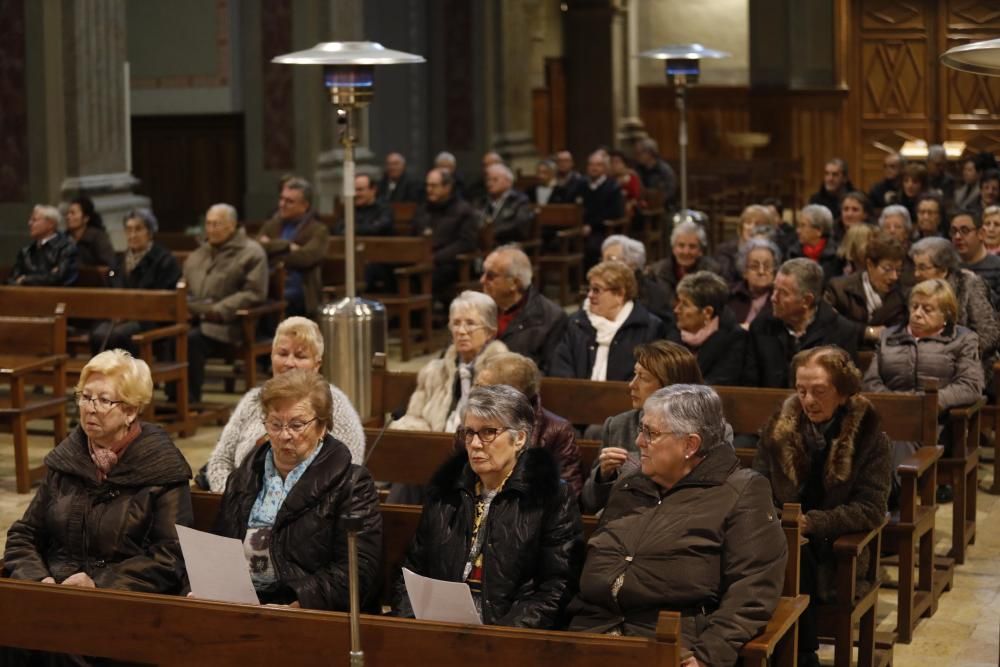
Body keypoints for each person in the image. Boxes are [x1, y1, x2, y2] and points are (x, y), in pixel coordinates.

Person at [570, 384, 786, 667]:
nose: (638, 442)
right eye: (641, 430)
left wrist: (708, 656)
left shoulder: (742, 490)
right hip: (591, 631)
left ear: (690, 445)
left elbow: (753, 588)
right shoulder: (629, 483)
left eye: (651, 433)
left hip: (672, 642)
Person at [392, 385, 584, 627]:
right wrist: (413, 624)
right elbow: (412, 570)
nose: (474, 444)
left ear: (520, 438)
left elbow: (559, 585)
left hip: (511, 631)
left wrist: (502, 637)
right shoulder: (446, 489)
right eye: (469, 433)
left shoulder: (549, 494)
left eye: (488, 432)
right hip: (439, 625)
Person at [4, 350, 192, 592]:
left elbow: (171, 556)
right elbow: (25, 534)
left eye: (104, 400)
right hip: (56, 590)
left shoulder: (162, 467)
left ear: (130, 412)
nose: (90, 408)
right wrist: (39, 580)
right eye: (86, 396)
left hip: (125, 600)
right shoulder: (67, 459)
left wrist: (99, 584)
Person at [753, 346, 892, 667]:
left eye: (819, 391)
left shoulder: (870, 437)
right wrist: (774, 519)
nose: (808, 400)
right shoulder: (779, 429)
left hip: (835, 548)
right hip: (776, 533)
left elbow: (870, 509)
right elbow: (755, 485)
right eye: (801, 391)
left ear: (843, 392)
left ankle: (802, 654)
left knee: (796, 553)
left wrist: (811, 523)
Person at [212, 369, 382, 610]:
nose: (284, 435)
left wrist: (297, 605)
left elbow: (356, 570)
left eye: (297, 425)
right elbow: (220, 547)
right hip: (241, 603)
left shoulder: (353, 484)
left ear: (322, 427)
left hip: (309, 612)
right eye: (275, 424)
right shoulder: (245, 476)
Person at [205, 317, 365, 492]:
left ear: (317, 364)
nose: (289, 363)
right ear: (272, 357)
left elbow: (344, 470)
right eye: (282, 354)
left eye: (300, 356)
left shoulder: (334, 405)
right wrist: (233, 499)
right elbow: (220, 460)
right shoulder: (253, 400)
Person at [863, 279, 983, 470]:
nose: (917, 314)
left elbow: (970, 385)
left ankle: (890, 497)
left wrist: (926, 404)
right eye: (915, 306)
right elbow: (871, 381)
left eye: (927, 309)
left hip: (936, 421)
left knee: (900, 439)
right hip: (888, 416)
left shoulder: (962, 339)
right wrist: (899, 404)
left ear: (946, 314)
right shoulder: (889, 337)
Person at [580, 340, 703, 513]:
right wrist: (603, 475)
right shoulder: (618, 425)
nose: (632, 384)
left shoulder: (710, 430)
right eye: (634, 374)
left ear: (670, 386)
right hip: (626, 523)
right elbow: (589, 503)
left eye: (643, 378)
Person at [182, 203, 268, 403]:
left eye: (216, 224)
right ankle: (173, 399)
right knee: (170, 334)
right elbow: (183, 285)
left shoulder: (251, 253)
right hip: (194, 317)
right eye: (208, 224)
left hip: (231, 324)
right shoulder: (200, 253)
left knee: (191, 340)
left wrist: (218, 310)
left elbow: (254, 292)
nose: (210, 229)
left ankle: (189, 400)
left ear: (232, 225)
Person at [471, 352, 584, 497]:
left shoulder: (557, 430)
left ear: (512, 394)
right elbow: (459, 485)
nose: (474, 393)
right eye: (476, 385)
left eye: (483, 387)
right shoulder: (470, 427)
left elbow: (568, 494)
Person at [393, 290, 508, 432]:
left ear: (490, 332)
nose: (461, 331)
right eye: (456, 323)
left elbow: (505, 427)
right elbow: (415, 418)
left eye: (470, 323)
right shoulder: (433, 372)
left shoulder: (502, 373)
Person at [745, 258, 862, 387]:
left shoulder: (842, 332)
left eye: (783, 293)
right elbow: (749, 385)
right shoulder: (761, 327)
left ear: (806, 300)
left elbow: (847, 389)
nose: (773, 298)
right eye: (774, 289)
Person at [551, 260, 673, 382]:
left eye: (596, 290)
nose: (590, 295)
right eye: (589, 289)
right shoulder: (576, 323)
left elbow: (647, 377)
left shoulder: (649, 328)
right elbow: (561, 367)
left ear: (620, 294)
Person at [88, 208, 182, 355]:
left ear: (149, 233)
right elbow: (110, 292)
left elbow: (163, 300)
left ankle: (129, 377)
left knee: (119, 335)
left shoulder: (164, 260)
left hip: (151, 321)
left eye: (138, 229)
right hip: (120, 317)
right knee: (97, 334)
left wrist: (131, 314)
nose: (133, 235)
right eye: (129, 230)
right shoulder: (119, 261)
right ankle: (104, 377)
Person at [910, 237, 1000, 375]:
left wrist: (953, 355)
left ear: (943, 269)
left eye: (922, 268)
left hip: (967, 367)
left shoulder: (969, 286)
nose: (916, 274)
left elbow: (988, 335)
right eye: (915, 267)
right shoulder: (917, 291)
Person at [479, 245, 567, 374]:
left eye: (491, 276)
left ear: (514, 283)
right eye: (483, 273)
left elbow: (550, 373)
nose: (482, 280)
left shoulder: (552, 319)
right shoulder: (477, 307)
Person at [258, 176, 329, 317]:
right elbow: (257, 249)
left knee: (281, 301)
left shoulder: (318, 230)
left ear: (305, 205)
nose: (282, 205)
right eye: (281, 199)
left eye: (289, 201)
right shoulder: (272, 224)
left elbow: (305, 258)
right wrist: (286, 245)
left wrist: (272, 252)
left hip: (301, 289)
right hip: (268, 283)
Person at [823, 232, 908, 346]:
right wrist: (866, 332)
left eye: (898, 270)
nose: (894, 276)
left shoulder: (902, 296)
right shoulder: (839, 289)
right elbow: (828, 323)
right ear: (870, 264)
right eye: (887, 269)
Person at [411, 168, 480, 304]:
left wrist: (435, 258)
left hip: (451, 263)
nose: (429, 189)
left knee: (429, 277)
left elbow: (466, 243)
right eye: (427, 185)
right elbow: (414, 237)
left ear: (447, 187)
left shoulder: (463, 210)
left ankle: (424, 317)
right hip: (424, 260)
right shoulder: (423, 209)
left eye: (434, 186)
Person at [675, 271, 747, 385]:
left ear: (707, 312)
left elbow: (719, 384)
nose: (676, 310)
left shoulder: (734, 339)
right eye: (678, 302)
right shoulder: (673, 334)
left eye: (685, 304)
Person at [645, 219, 722, 310]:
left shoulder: (713, 272)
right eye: (681, 246)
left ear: (700, 251)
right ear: (673, 248)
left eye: (692, 246)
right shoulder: (656, 272)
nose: (686, 252)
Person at [602, 234, 673, 322]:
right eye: (603, 260)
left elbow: (666, 327)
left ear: (632, 264)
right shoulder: (597, 288)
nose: (603, 265)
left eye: (611, 259)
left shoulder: (652, 293)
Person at [7, 204, 78, 286]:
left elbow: (58, 277)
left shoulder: (66, 248)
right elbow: (13, 279)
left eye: (34, 220)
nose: (29, 223)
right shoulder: (26, 252)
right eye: (30, 220)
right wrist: (48, 274)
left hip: (57, 297)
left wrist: (26, 279)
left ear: (50, 224)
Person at [581, 150, 626, 267]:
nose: (594, 168)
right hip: (580, 229)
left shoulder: (613, 187)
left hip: (602, 230)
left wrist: (592, 226)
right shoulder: (582, 185)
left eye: (598, 165)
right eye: (591, 165)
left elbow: (615, 213)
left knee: (592, 247)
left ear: (605, 168)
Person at [728, 238, 781, 329]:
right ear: (744, 272)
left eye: (767, 266)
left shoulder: (780, 299)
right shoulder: (730, 295)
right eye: (754, 266)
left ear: (774, 271)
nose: (761, 271)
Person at [950, 210, 1000, 305]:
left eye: (964, 231)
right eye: (954, 231)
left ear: (981, 234)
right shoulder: (948, 268)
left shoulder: (998, 266)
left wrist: (977, 284)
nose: (957, 237)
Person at [714, 204, 773, 282]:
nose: (751, 227)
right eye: (748, 223)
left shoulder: (772, 251)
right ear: (741, 226)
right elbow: (725, 280)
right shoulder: (724, 251)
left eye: (757, 224)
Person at [480, 163, 535, 244]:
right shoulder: (482, 201)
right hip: (483, 245)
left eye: (495, 179)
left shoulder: (520, 200)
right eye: (488, 180)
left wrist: (492, 232)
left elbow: (520, 226)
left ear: (508, 182)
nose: (489, 184)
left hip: (508, 244)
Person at [788, 203, 842, 283]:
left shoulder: (838, 256)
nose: (798, 231)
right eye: (798, 226)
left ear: (819, 231)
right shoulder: (793, 253)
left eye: (803, 225)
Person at [65, 195, 115, 268]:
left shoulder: (98, 238)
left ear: (86, 218)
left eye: (73, 213)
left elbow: (110, 264)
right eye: (68, 213)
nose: (68, 217)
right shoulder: (64, 238)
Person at [633, 137, 678, 205]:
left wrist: (653, 200)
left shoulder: (664, 170)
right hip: (642, 207)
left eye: (639, 153)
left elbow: (669, 192)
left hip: (663, 208)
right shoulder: (638, 169)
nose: (636, 156)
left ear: (650, 153)